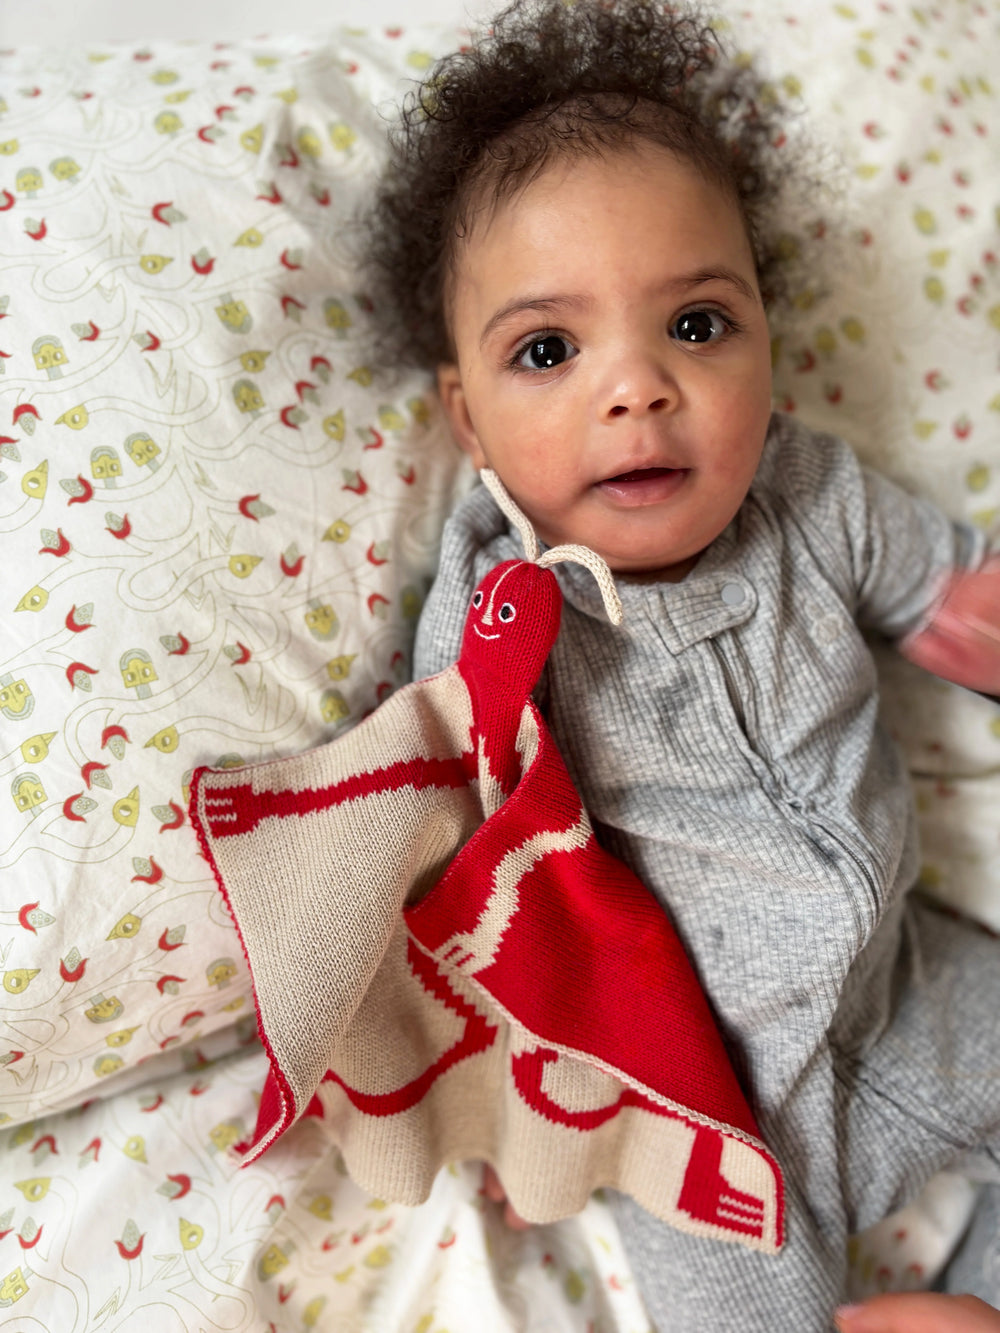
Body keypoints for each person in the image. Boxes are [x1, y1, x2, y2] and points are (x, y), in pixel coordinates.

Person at [362, 1, 1000, 1328]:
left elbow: (958, 598)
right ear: (467, 418)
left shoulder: (811, 493)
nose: (638, 385)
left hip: (908, 989)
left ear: (771, 337)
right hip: (702, 1106)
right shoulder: (502, 611)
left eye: (698, 326)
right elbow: (446, 839)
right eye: (550, 350)